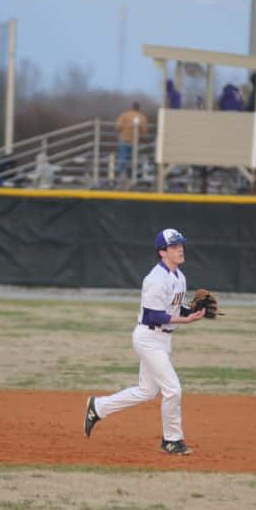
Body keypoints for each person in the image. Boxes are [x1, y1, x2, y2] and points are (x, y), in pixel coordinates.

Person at [84, 227, 206, 455]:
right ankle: (171, 440)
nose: (180, 249)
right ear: (162, 252)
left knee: (147, 391)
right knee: (173, 389)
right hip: (149, 339)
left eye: (180, 244)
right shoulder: (155, 279)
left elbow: (173, 307)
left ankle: (98, 407)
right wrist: (185, 319)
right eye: (174, 246)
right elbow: (152, 316)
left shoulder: (179, 277)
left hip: (163, 339)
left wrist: (193, 310)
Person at [114, 101, 148, 183]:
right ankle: (130, 176)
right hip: (135, 141)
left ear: (131, 107)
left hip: (124, 139)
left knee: (122, 157)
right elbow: (144, 131)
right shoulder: (142, 117)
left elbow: (117, 127)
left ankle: (121, 175)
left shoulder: (124, 115)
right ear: (139, 108)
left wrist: (125, 128)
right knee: (133, 159)